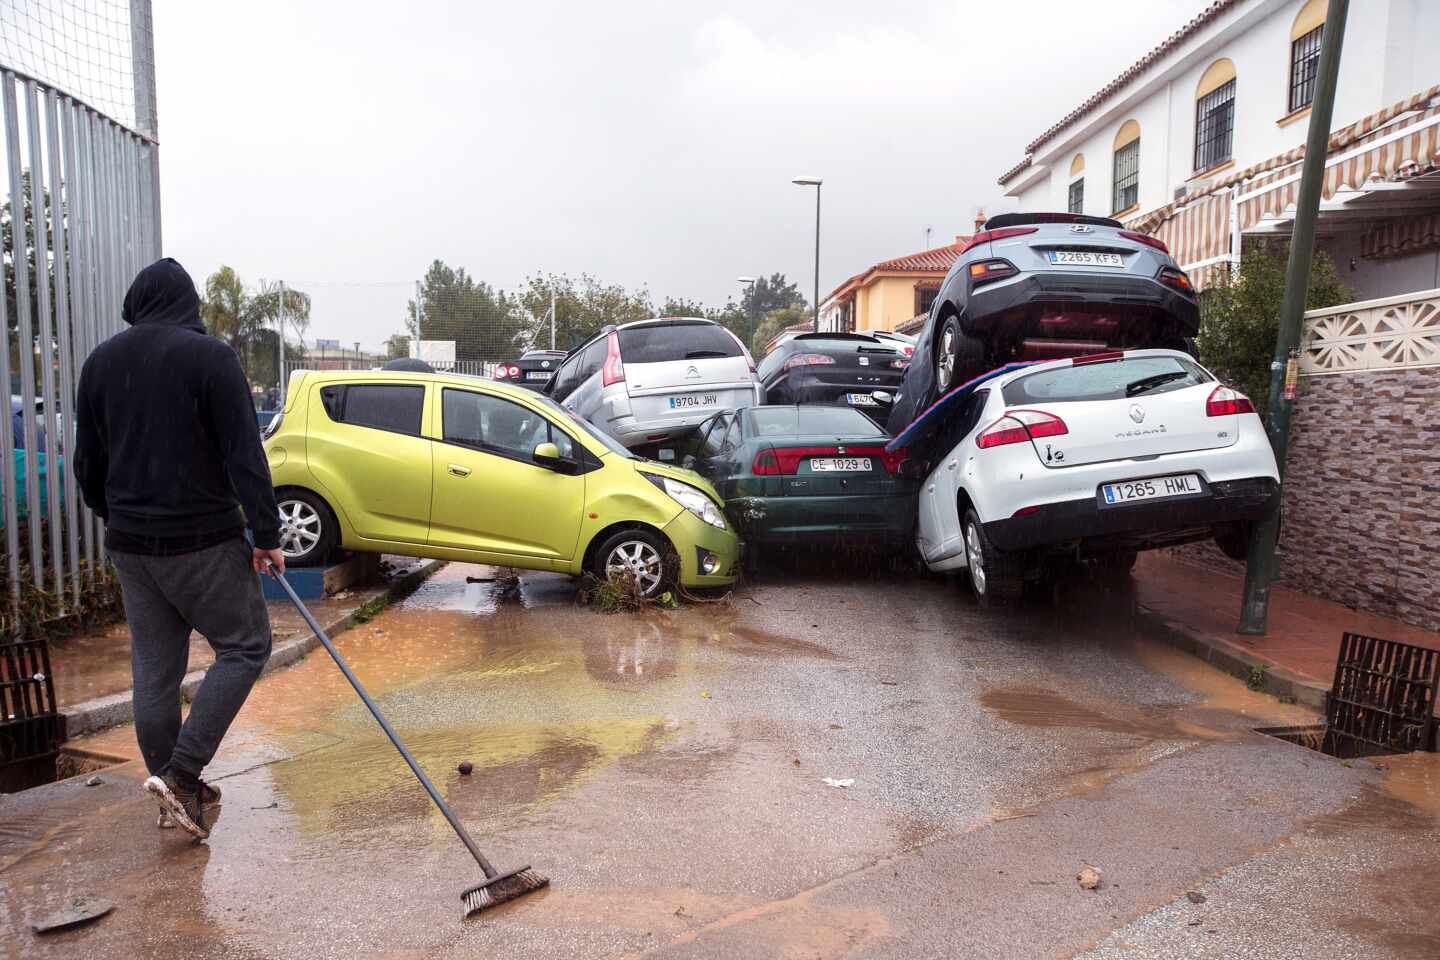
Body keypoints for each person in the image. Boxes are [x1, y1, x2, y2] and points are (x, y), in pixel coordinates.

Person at [74, 258, 285, 841]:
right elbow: (245, 455)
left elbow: (87, 466)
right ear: (188, 305)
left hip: (133, 550)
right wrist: (266, 535)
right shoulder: (211, 358)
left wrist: (115, 518)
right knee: (245, 646)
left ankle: (171, 785)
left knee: (156, 674)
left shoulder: (100, 363)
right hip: (202, 542)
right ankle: (184, 774)